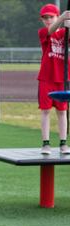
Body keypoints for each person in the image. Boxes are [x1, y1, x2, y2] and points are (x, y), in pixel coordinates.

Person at [38, 3, 70, 154]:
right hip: (46, 78)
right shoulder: (44, 32)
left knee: (62, 112)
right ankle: (46, 144)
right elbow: (51, 30)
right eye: (45, 18)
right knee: (45, 111)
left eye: (51, 17)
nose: (48, 20)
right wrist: (63, 18)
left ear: (56, 16)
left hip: (62, 79)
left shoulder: (65, 33)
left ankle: (63, 143)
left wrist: (68, 24)